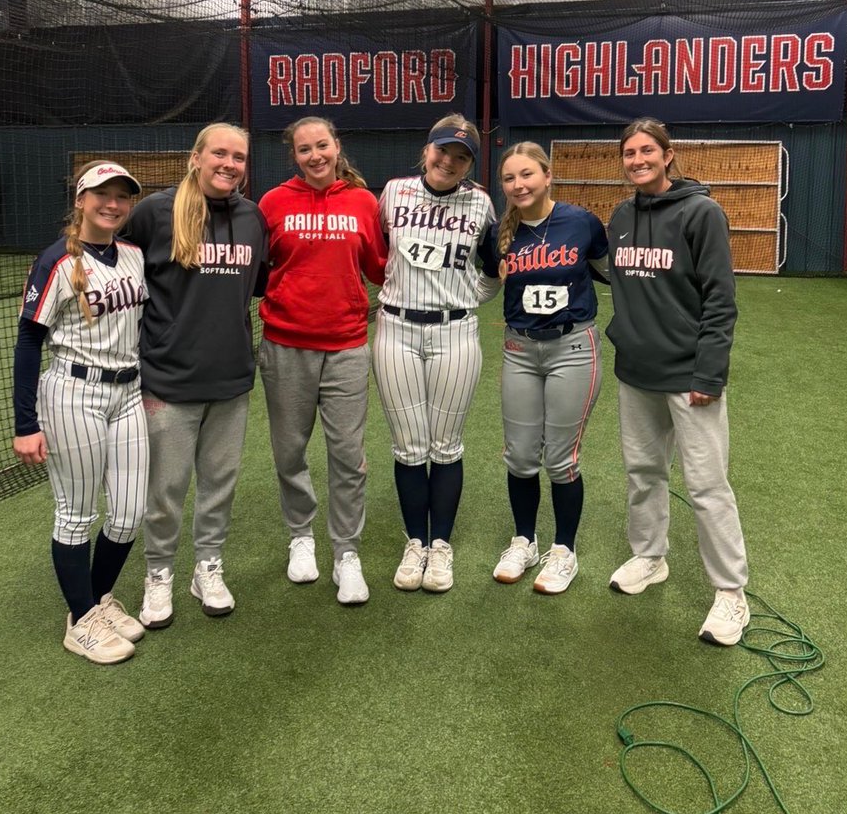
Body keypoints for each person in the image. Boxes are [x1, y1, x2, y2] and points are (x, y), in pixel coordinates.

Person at [606, 117, 750, 646]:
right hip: (636, 373)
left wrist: (710, 371)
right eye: (629, 153)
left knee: (708, 485)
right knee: (643, 472)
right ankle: (650, 557)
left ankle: (731, 594)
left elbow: (720, 299)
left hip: (690, 376)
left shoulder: (702, 212)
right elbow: (614, 275)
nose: (637, 160)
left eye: (647, 151)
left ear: (669, 155)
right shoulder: (620, 215)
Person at [123, 123, 267, 629]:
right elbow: (114, 269)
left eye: (239, 157)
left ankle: (207, 567)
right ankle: (158, 573)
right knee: (165, 490)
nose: (230, 164)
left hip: (230, 381)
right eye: (220, 154)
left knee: (219, 485)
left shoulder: (252, 218)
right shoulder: (153, 213)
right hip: (167, 383)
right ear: (196, 157)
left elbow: (257, 287)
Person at [12, 161, 148, 664]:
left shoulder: (133, 255)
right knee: (76, 513)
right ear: (80, 200)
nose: (112, 204)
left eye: (121, 196)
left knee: (131, 510)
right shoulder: (56, 260)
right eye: (101, 195)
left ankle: (97, 599)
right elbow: (29, 342)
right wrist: (26, 425)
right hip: (74, 394)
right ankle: (82, 619)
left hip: (129, 393)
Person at [257, 118, 387, 605]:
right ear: (294, 154)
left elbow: (378, 266)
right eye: (305, 148)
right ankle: (301, 538)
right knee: (290, 452)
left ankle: (347, 553)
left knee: (348, 456)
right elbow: (258, 268)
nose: (315, 155)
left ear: (337, 146)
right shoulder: (272, 203)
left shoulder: (362, 201)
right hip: (285, 346)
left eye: (323, 145)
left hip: (348, 346)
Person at [373, 113, 500, 594]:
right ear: (427, 150)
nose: (449, 160)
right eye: (443, 150)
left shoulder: (481, 202)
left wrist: (470, 297)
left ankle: (440, 545)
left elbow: (491, 265)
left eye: (461, 155)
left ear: (470, 163)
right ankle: (416, 543)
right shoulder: (393, 193)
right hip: (396, 330)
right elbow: (374, 251)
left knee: (445, 446)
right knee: (408, 446)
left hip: (455, 333)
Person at [491, 143, 608, 594]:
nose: (518, 185)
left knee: (561, 458)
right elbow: (485, 279)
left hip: (573, 347)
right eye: (509, 179)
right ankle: (524, 540)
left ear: (547, 175)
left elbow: (610, 271)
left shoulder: (580, 221)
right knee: (520, 455)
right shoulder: (500, 232)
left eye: (527, 175)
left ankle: (564, 551)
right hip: (520, 350)